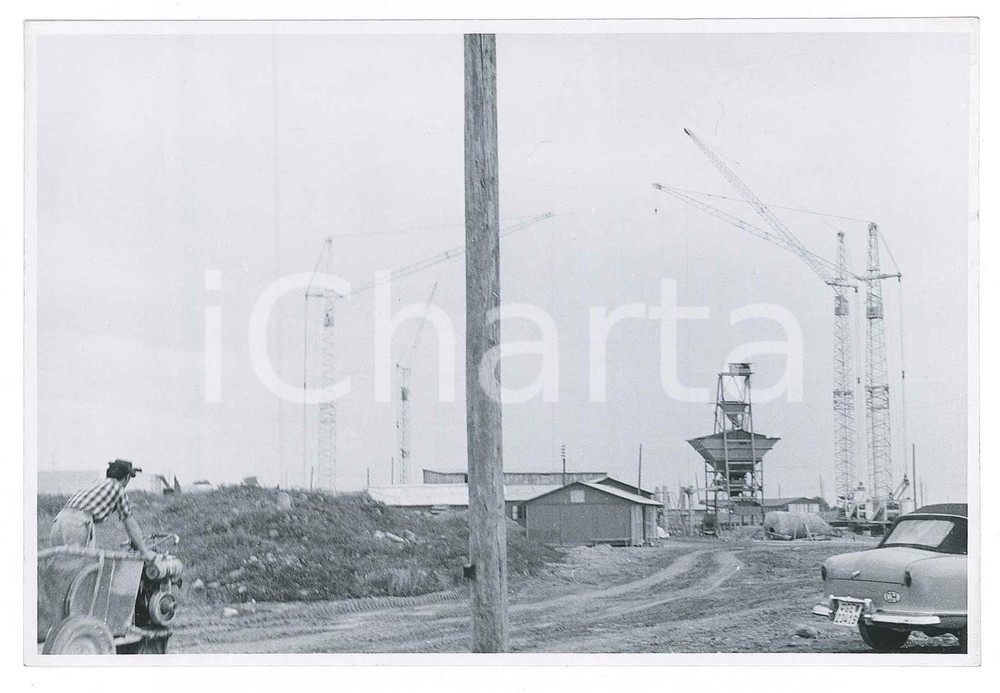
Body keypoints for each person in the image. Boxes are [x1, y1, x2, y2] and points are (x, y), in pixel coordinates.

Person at [50, 459, 154, 561]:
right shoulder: (118, 488)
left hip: (58, 521)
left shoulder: (97, 482)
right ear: (127, 477)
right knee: (82, 564)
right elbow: (130, 524)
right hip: (78, 523)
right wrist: (144, 552)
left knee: (59, 563)